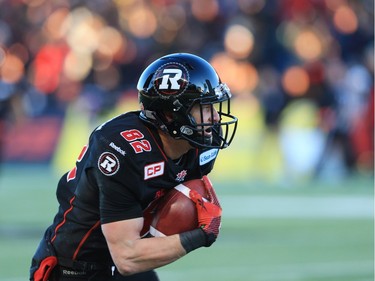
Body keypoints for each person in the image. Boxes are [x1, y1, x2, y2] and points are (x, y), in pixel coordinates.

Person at [30, 53, 238, 281]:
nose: (216, 118)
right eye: (204, 108)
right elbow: (127, 257)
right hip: (75, 268)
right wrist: (200, 236)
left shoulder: (201, 145)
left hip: (120, 262)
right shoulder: (122, 149)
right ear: (171, 115)